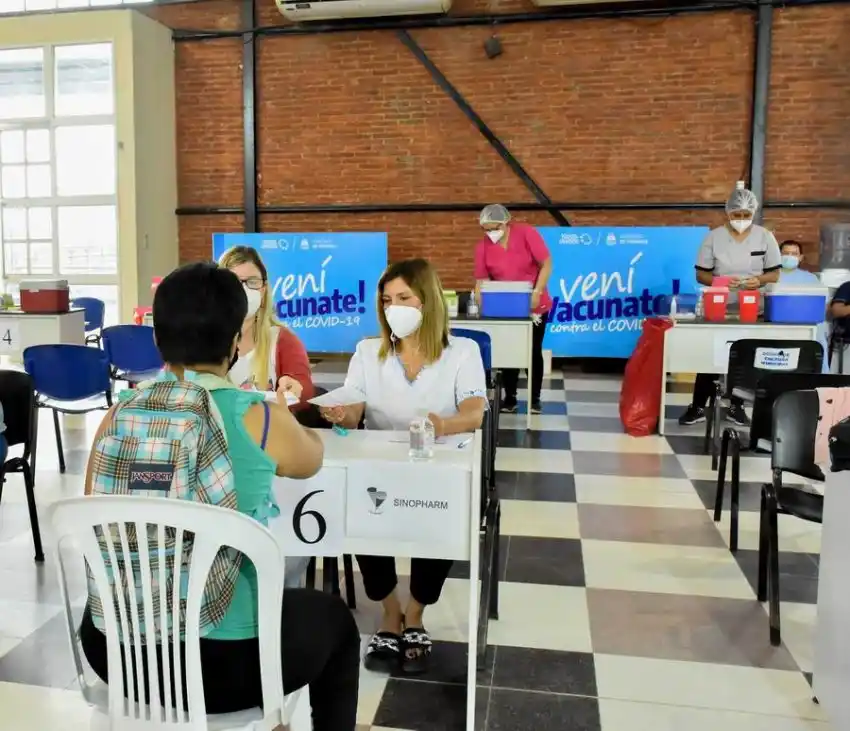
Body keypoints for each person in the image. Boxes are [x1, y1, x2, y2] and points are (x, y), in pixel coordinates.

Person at [79, 262, 360, 730]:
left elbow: (93, 506)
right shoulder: (260, 416)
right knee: (334, 621)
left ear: (156, 338)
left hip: (115, 650)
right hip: (225, 665)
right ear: (235, 341)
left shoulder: (117, 415)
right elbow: (311, 460)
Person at [319, 258, 487, 674]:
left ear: (427, 301)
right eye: (387, 299)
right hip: (378, 466)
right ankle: (390, 612)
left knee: (445, 512)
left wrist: (442, 424)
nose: (394, 307)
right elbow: (355, 400)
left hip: (440, 464)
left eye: (404, 298)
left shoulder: (461, 352)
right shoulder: (366, 351)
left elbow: (474, 410)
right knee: (356, 507)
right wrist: (342, 413)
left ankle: (416, 614)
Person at [678, 182, 781, 427]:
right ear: (728, 212)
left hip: (752, 309)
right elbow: (701, 274)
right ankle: (698, 406)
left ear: (753, 213)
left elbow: (774, 274)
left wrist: (758, 280)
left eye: (746, 215)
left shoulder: (765, 237)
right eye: (737, 215)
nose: (742, 219)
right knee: (710, 357)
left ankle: (737, 407)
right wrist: (722, 281)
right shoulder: (713, 238)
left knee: (743, 359)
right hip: (719, 308)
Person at [474, 204, 552, 414]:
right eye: (486, 229)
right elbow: (481, 281)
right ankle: (510, 398)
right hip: (504, 306)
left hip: (534, 305)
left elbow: (546, 263)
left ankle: (534, 399)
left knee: (532, 349)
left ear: (506, 223)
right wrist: (480, 306)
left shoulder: (526, 233)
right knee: (509, 349)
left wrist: (537, 291)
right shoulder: (483, 247)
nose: (490, 233)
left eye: (494, 228)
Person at [218, 246, 314, 405]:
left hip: (268, 427)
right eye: (234, 282)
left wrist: (294, 387)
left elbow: (306, 391)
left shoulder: (282, 339)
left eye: (252, 282)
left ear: (263, 289)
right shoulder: (203, 341)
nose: (244, 290)